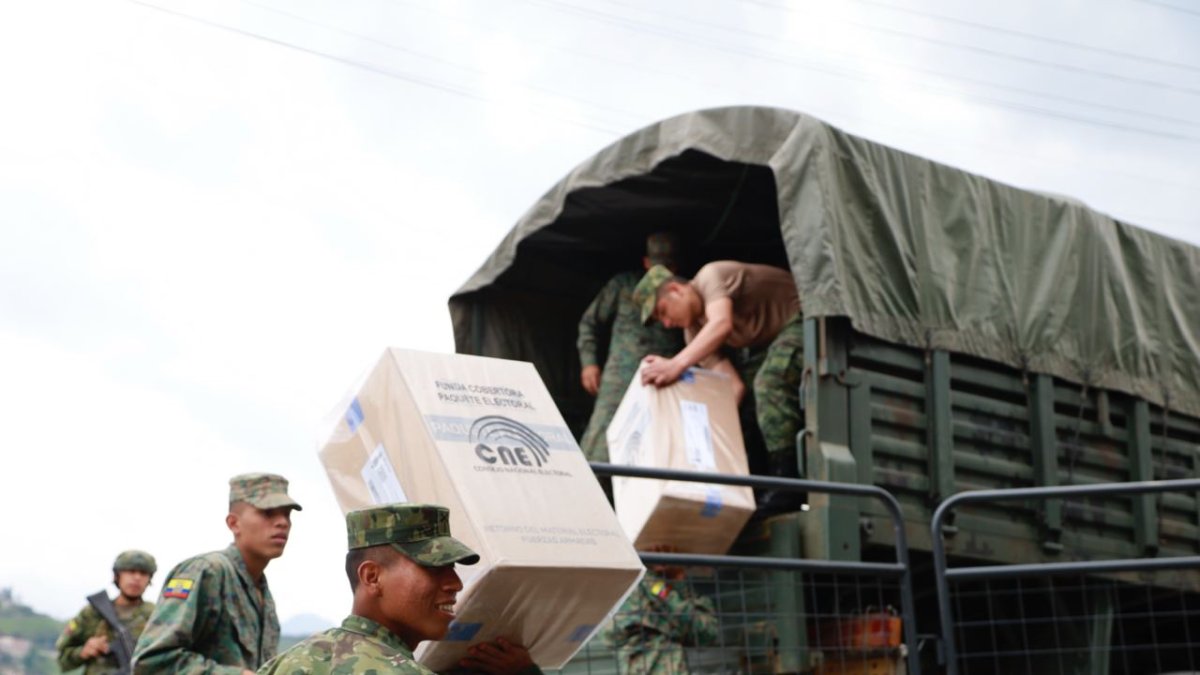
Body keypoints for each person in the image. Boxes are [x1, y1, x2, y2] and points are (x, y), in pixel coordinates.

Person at [257, 503, 540, 675]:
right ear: (372, 577)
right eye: (433, 567)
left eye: (453, 568)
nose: (455, 583)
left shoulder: (289, 663)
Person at [633, 261, 804, 512]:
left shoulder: (710, 276)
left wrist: (676, 365)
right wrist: (703, 438)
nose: (667, 323)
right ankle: (754, 488)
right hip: (768, 345)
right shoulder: (693, 334)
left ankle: (788, 485)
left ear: (675, 290)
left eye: (663, 312)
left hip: (803, 321)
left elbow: (721, 323)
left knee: (769, 383)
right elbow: (734, 389)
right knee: (747, 406)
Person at [133, 473, 302, 674]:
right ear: (233, 523)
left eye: (287, 514)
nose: (282, 522)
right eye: (268, 513)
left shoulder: (261, 590)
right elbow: (150, 662)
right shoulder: (206, 572)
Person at [577, 232, 684, 465]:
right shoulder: (623, 285)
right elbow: (589, 323)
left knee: (653, 449)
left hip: (662, 381)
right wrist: (589, 364)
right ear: (646, 262)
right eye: (656, 266)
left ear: (675, 267)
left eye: (667, 267)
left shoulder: (683, 294)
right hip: (619, 381)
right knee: (599, 448)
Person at [608, 553, 718, 674]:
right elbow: (612, 635)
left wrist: (677, 581)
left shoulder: (676, 590)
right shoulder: (634, 586)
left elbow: (705, 633)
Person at [57, 550, 158, 674]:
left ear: (149, 579)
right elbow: (62, 659)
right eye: (130, 571)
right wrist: (83, 651)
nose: (137, 578)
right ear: (117, 576)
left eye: (143, 573)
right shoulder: (92, 613)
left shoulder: (157, 615)